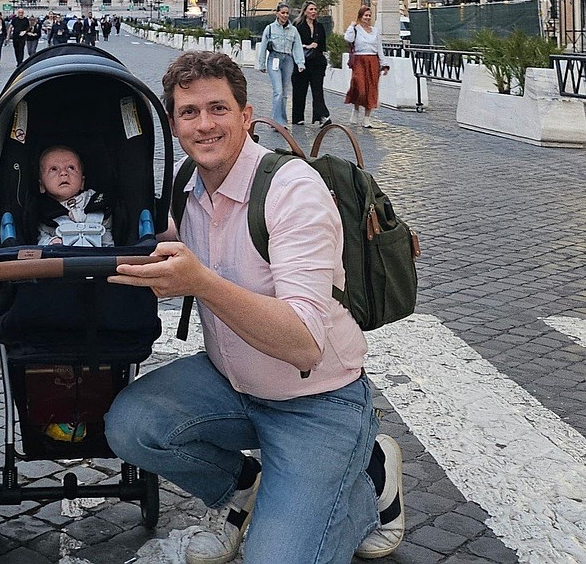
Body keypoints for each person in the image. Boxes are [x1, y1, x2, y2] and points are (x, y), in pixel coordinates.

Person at [105, 51, 404, 564]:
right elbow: (167, 237)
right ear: (173, 125)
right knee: (131, 424)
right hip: (232, 384)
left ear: (246, 116)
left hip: (317, 401)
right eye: (189, 113)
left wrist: (200, 282)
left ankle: (371, 483)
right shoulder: (186, 184)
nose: (205, 125)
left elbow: (303, 342)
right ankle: (242, 489)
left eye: (218, 109)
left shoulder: (293, 191)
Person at [35, 145, 113, 247]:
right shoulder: (43, 211)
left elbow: (107, 231)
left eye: (71, 168)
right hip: (63, 258)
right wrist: (51, 242)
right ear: (42, 186)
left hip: (100, 255)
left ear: (82, 182)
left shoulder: (96, 201)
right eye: (54, 169)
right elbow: (41, 238)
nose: (63, 173)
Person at [254, 3, 305, 126]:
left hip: (288, 60)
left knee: (284, 92)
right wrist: (261, 64)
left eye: (287, 13)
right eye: (282, 12)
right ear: (277, 13)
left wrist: (300, 62)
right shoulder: (270, 28)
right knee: (278, 91)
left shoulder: (293, 30)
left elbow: (297, 46)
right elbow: (263, 46)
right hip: (274, 59)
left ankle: (282, 120)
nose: (285, 15)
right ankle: (277, 121)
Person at [344, 5, 390, 129]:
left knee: (372, 89)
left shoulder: (375, 31)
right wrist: (351, 26)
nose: (368, 18)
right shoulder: (356, 29)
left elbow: (379, 48)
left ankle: (367, 118)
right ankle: (356, 108)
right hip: (359, 60)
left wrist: (384, 64)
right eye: (365, 15)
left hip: (373, 60)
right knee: (360, 87)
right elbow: (348, 38)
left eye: (369, 15)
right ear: (360, 16)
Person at [291, 0, 330, 127]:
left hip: (317, 62)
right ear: (305, 11)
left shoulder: (320, 26)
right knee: (299, 90)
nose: (314, 12)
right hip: (301, 62)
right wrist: (307, 46)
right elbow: (293, 43)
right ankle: (298, 117)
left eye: (315, 9)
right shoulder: (297, 25)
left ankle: (322, 116)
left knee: (317, 90)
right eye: (311, 9)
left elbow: (323, 45)